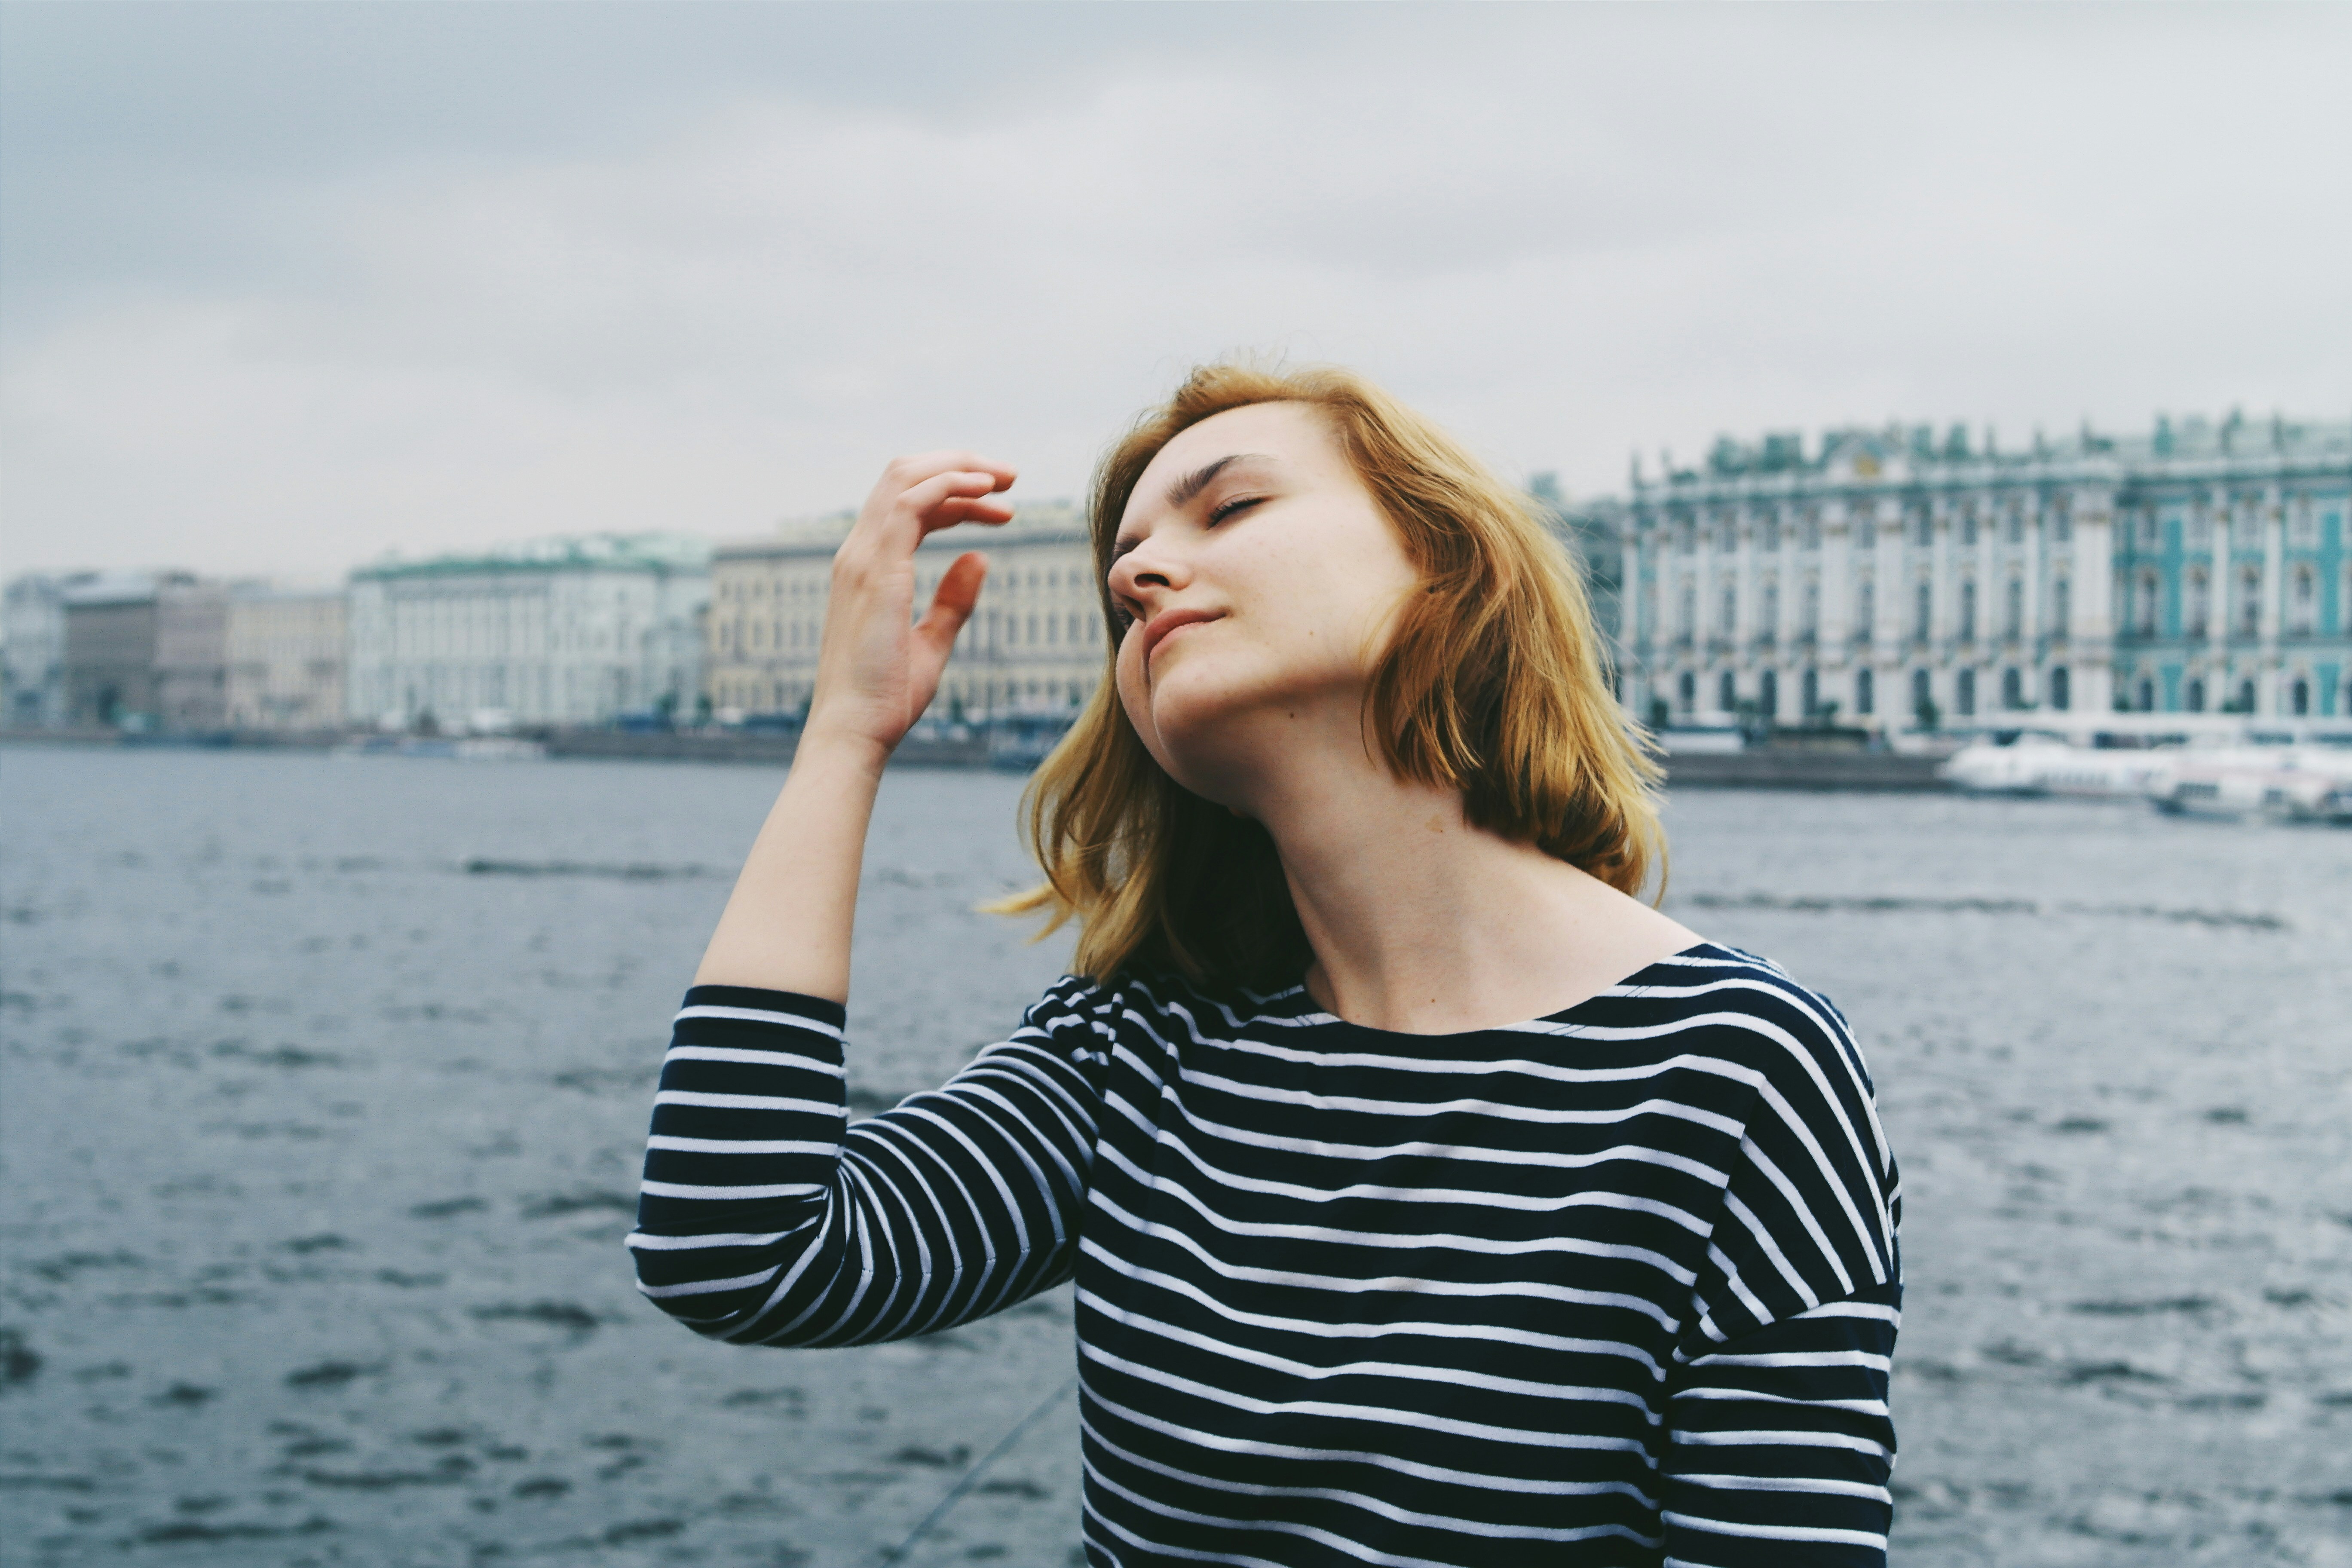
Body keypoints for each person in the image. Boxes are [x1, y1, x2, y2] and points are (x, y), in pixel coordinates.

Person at [631, 364, 1901, 1566]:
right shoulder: (1136, 1050)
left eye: (1229, 506)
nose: (1139, 577)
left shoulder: (1737, 1071)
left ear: (1443, 565)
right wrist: (846, 737)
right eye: (1123, 567)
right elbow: (741, 1250)